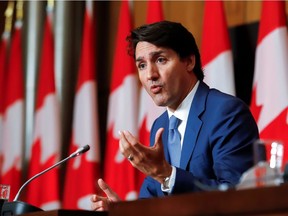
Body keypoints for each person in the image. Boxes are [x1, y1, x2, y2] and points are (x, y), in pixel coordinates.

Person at [90, 20, 259, 211]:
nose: (150, 75)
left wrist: (167, 175)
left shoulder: (227, 112)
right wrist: (122, 211)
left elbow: (237, 196)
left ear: (189, 61)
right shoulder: (160, 125)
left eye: (160, 60)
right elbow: (153, 204)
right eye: (142, 65)